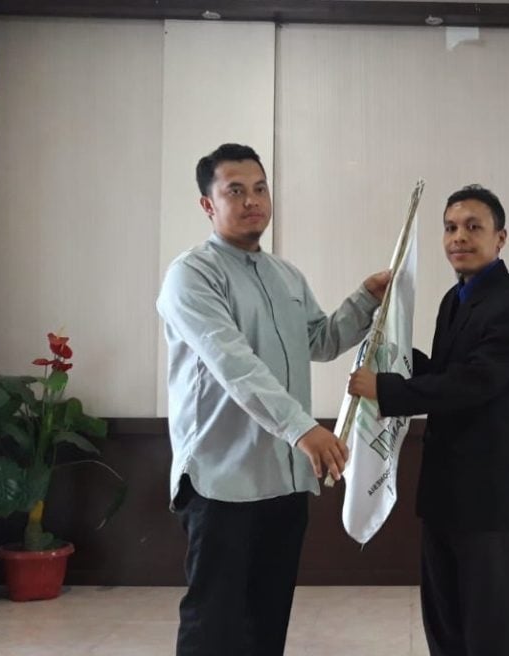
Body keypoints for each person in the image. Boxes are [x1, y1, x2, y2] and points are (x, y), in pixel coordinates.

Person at [156, 143, 389, 656]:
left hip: (283, 478)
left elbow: (320, 340)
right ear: (207, 204)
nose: (252, 201)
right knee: (214, 624)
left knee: (266, 621)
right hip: (222, 480)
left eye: (260, 189)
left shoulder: (285, 275)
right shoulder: (191, 275)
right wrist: (304, 429)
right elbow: (233, 363)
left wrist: (366, 298)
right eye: (235, 191)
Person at [348, 184, 509, 656]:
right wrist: (390, 347)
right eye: (451, 227)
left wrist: (386, 390)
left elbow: (475, 383)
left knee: (489, 628)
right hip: (442, 490)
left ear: (500, 238)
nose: (459, 237)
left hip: (486, 494)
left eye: (473, 227)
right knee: (444, 620)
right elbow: (443, 372)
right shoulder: (453, 300)